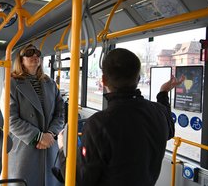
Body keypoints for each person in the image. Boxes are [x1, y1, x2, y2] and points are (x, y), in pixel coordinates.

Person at [57, 48, 185, 186]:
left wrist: (62, 149)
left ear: (104, 80)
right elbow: (170, 129)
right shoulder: (159, 112)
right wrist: (163, 93)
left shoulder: (98, 124)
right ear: (138, 79)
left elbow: (79, 181)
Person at [7, 44, 64, 186]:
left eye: (37, 53)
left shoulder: (49, 83)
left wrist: (51, 133)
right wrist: (38, 137)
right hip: (26, 146)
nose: (35, 56)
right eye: (29, 53)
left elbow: (60, 112)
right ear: (20, 60)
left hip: (49, 145)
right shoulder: (11, 83)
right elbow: (11, 120)